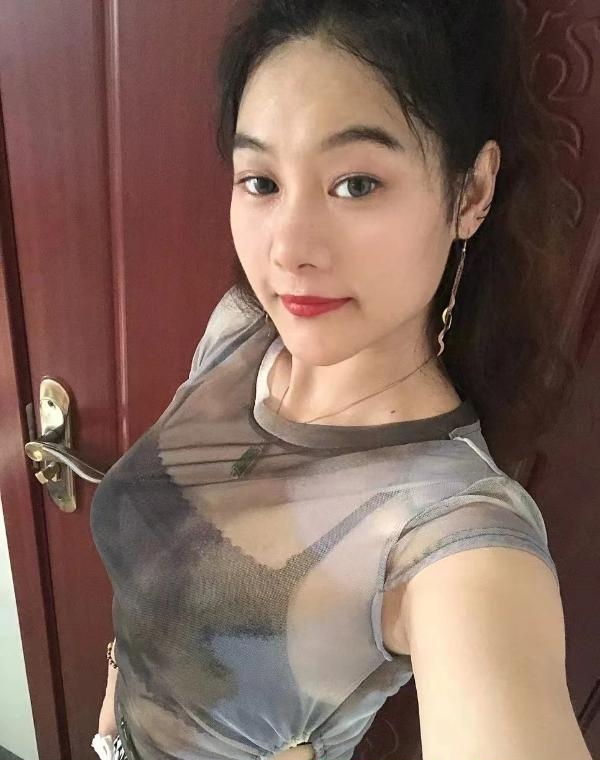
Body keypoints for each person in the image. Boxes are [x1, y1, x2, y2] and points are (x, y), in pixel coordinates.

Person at [91, 1, 592, 759]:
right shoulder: (240, 333)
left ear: (471, 192)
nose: (288, 249)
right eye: (261, 181)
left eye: (356, 183)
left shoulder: (451, 533)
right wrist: (111, 712)